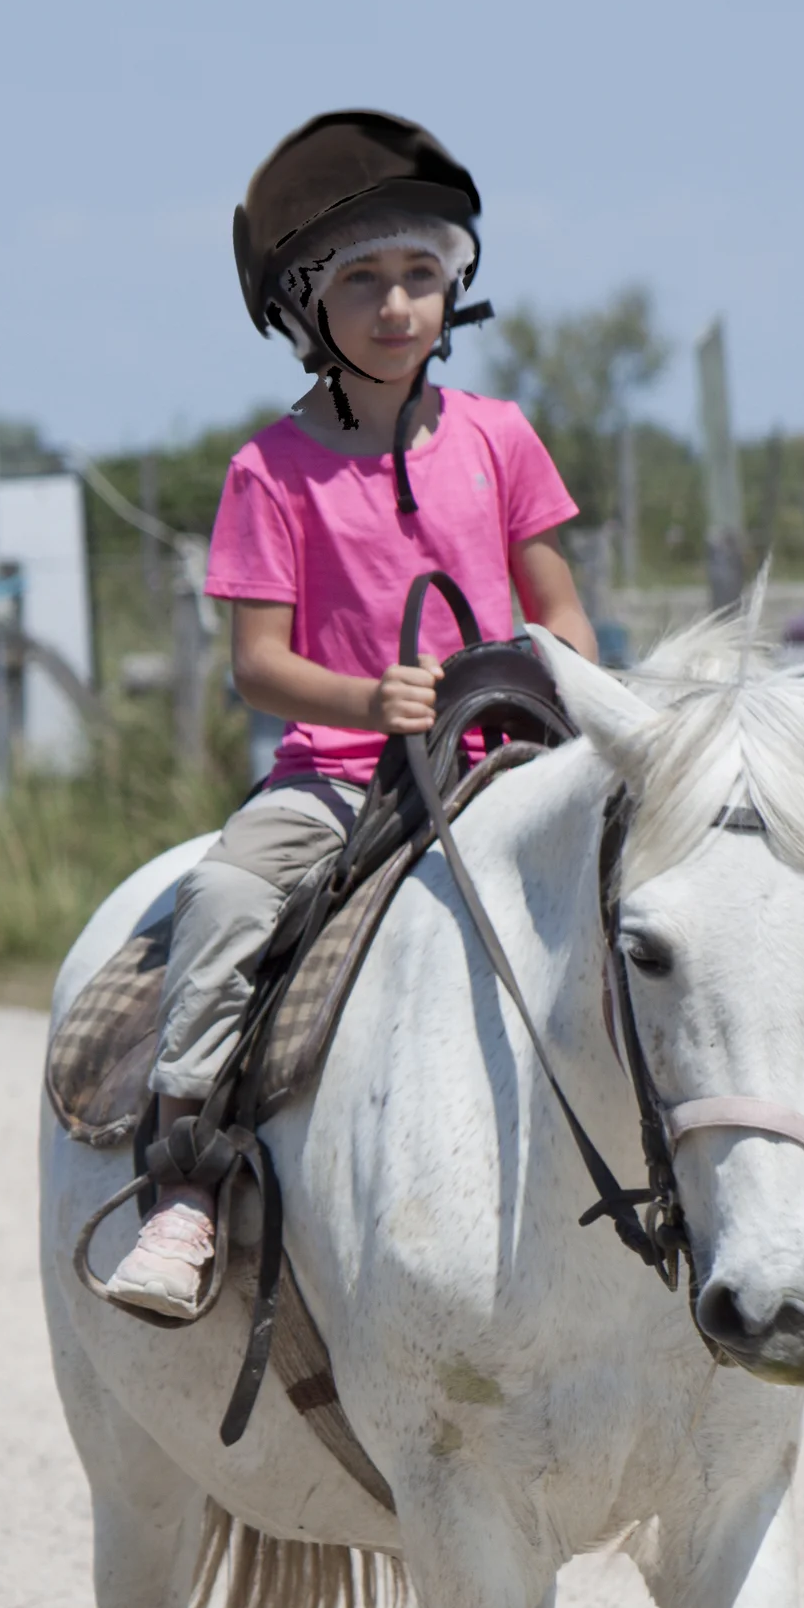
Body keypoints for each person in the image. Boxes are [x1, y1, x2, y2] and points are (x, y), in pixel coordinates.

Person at [107, 109, 599, 1315]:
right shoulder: (265, 472)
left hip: (509, 756)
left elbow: (562, 610)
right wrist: (370, 699)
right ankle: (182, 1181)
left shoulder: (499, 437)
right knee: (226, 896)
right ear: (304, 311)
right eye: (364, 282)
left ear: (453, 292)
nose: (396, 307)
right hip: (337, 775)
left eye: (420, 278)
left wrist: (568, 688)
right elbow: (258, 666)